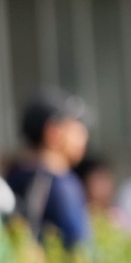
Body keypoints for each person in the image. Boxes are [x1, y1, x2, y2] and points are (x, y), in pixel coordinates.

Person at [3, 89, 92, 251]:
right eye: (76, 128)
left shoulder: (13, 175)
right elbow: (80, 251)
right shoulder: (62, 185)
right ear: (53, 132)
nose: (83, 135)